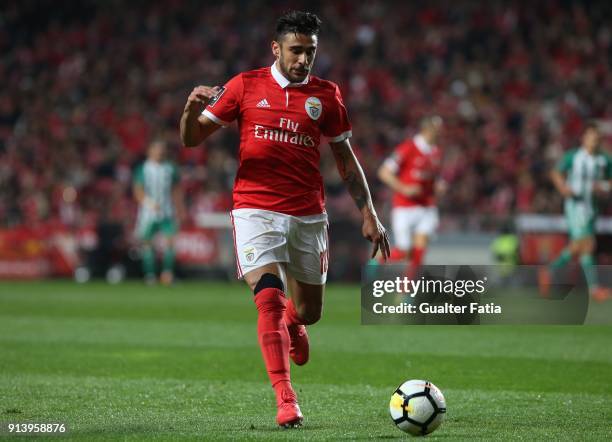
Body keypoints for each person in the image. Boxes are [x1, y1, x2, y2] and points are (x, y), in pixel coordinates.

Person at [179, 11, 390, 427]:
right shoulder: (244, 85)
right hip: (254, 208)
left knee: (308, 311)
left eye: (310, 51)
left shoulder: (327, 95)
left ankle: (297, 324)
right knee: (269, 299)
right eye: (296, 50)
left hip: (308, 214)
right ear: (276, 48)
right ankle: (286, 397)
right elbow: (191, 138)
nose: (303, 59)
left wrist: (369, 212)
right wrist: (189, 109)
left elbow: (345, 158)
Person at [539, 123, 611, 302]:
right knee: (587, 243)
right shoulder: (574, 156)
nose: (594, 140)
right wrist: (563, 187)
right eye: (590, 136)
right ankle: (592, 288)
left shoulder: (604, 159)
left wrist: (603, 186)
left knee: (583, 247)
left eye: (596, 136)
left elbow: (609, 181)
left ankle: (550, 271)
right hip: (575, 205)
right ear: (584, 138)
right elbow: (556, 172)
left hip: (592, 207)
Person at [377, 116, 444, 277]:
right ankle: (376, 261)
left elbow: (431, 179)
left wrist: (438, 187)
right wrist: (404, 188)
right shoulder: (408, 148)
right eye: (438, 128)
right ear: (427, 129)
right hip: (404, 206)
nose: (441, 132)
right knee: (405, 252)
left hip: (427, 207)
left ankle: (407, 293)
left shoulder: (436, 152)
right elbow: (384, 172)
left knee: (420, 250)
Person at [133, 140, 184, 285]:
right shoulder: (143, 168)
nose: (160, 152)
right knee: (147, 243)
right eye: (156, 149)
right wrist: (149, 203)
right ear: (150, 151)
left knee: (170, 241)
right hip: (148, 212)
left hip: (167, 212)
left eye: (162, 149)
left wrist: (180, 209)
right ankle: (150, 275)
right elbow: (138, 190)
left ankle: (167, 274)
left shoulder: (170, 168)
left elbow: (176, 190)